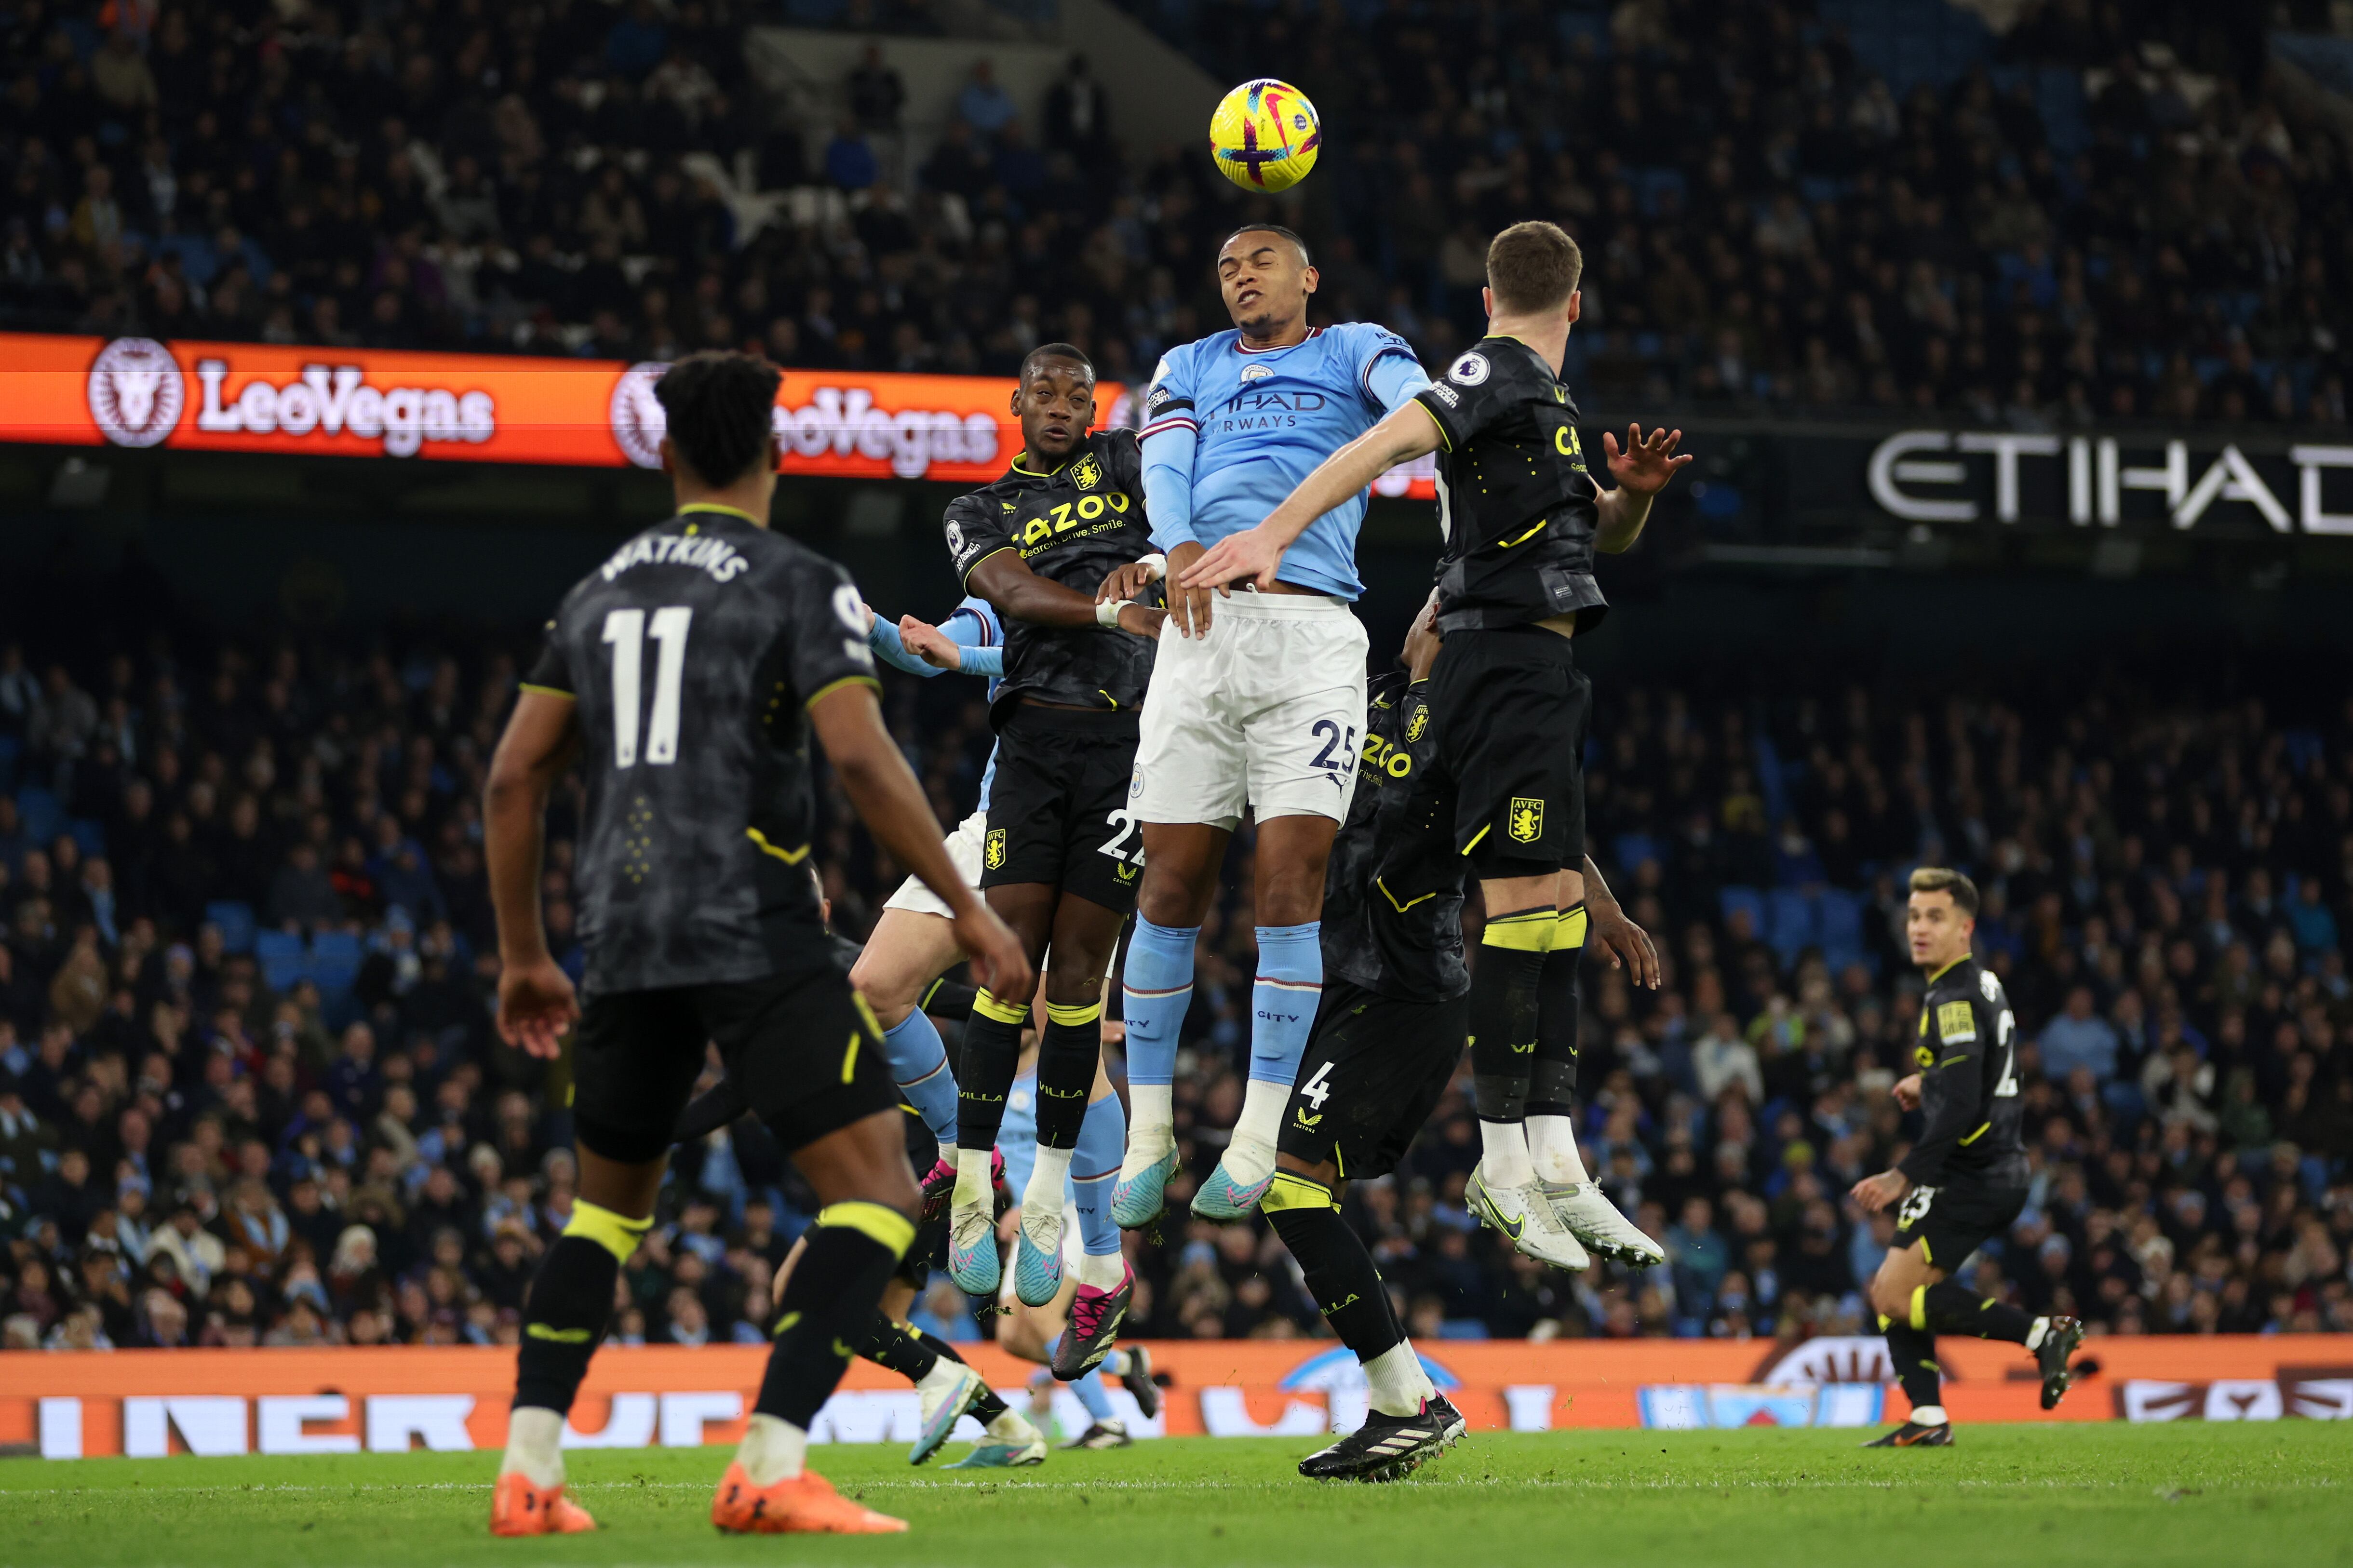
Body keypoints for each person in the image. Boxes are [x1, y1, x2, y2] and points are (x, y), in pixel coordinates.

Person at [482, 350, 1029, 1538]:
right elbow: (858, 756)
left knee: (603, 1215)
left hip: (619, 936)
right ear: (777, 459)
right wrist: (968, 906)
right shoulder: (798, 579)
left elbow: (515, 774)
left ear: (668, 457)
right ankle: (771, 1463)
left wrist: (524, 953)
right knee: (880, 1199)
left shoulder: (599, 589)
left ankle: (527, 1474)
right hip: (756, 927)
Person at [1183, 220, 1680, 1268]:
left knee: (1547, 902)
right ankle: (1508, 1164)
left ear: (1492, 294)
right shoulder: (1491, 372)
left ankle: (1554, 1157)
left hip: (1539, 671)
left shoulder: (1543, 406)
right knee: (1519, 907)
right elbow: (1391, 437)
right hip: (1494, 660)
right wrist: (1275, 529)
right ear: (1574, 305)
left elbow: (1601, 536)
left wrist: (1630, 497)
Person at [1266, 603, 1656, 1482]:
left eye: (1453, 616)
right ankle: (1407, 1403)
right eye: (1434, 608)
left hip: (1406, 991)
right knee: (1292, 1190)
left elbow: (1540, 826)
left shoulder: (1474, 725)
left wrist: (1600, 905)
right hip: (1341, 978)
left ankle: (1409, 1403)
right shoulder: (1360, 694)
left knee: (1292, 1188)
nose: (1435, 618)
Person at [1106, 225, 1434, 1227]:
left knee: (1286, 886)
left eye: (1259, 261)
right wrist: (1181, 547)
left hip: (1310, 633)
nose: (1239, 275)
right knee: (1166, 889)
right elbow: (1165, 472)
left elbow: (1422, 417)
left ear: (1308, 278)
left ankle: (1253, 1136)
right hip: (1200, 630)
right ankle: (1150, 1134)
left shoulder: (1355, 348)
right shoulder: (1187, 365)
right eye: (1224, 267)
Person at [937, 343, 1164, 1316]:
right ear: (1018, 406)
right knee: (1004, 970)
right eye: (1047, 394)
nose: (1063, 405)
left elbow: (1182, 474)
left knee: (1076, 982)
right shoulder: (976, 511)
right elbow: (1017, 596)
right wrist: (1115, 607)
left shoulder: (1120, 466)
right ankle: (967, 1183)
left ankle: (1042, 1201)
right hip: (1031, 742)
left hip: (1127, 750)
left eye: (1079, 393)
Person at [1849, 867, 2084, 1447]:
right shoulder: (1979, 984)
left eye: (1936, 917)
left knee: (1893, 1295)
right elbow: (1972, 1074)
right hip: (1987, 1168)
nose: (1920, 928)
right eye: (1914, 916)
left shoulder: (1951, 995)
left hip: (1974, 1172)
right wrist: (1925, 1080)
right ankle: (1928, 1417)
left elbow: (1960, 1105)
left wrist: (1904, 1173)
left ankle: (2039, 1334)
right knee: (1891, 1292)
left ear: (1965, 927)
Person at [847, 594, 1006, 1176]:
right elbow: (929, 650)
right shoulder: (1010, 559)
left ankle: (1099, 1249)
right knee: (874, 987)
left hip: (1089, 827)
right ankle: (964, 1148)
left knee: (1062, 1038)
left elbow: (1082, 664)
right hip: (997, 819)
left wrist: (963, 656)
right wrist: (878, 627)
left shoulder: (1136, 564)